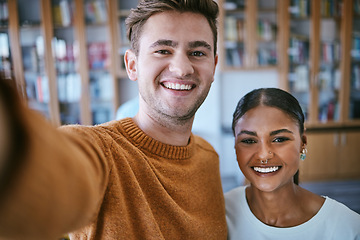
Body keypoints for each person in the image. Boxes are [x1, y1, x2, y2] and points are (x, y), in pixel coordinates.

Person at [0, 0, 227, 239]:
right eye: (163, 50)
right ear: (132, 65)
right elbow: (39, 181)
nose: (182, 69)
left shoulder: (208, 156)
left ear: (213, 65)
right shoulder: (100, 151)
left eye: (198, 53)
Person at [225, 88, 360, 240]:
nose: (263, 154)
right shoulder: (219, 213)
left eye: (279, 139)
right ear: (235, 146)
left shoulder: (347, 228)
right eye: (249, 141)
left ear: (303, 143)